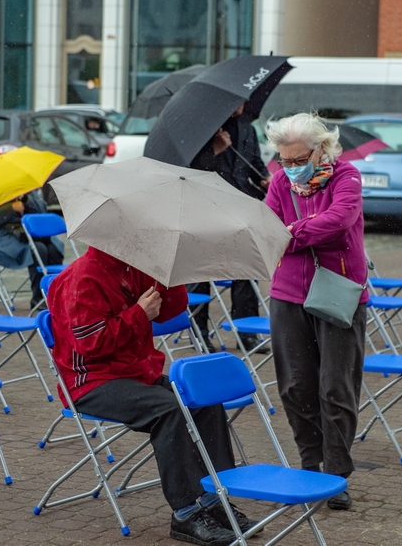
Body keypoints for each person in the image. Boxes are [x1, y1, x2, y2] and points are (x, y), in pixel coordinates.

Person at [47, 247, 257, 546]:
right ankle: (186, 512)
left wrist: (170, 274)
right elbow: (91, 344)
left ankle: (213, 497)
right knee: (169, 410)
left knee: (204, 398)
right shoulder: (82, 277)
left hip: (135, 374)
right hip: (91, 382)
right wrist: (138, 314)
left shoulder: (131, 265)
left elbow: (171, 311)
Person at [262, 112, 368, 511]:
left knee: (336, 387)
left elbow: (339, 222)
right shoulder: (278, 182)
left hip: (339, 291)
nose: (290, 169)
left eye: (298, 159)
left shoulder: (347, 177)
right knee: (294, 386)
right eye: (284, 160)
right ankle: (310, 465)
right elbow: (267, 229)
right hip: (287, 292)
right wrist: (300, 232)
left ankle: (335, 475)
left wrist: (293, 233)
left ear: (320, 149)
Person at [188, 102, 272, 353]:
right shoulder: (201, 130)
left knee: (246, 269)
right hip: (207, 207)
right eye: (236, 101)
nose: (241, 104)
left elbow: (254, 161)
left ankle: (246, 333)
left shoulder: (247, 128)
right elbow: (188, 170)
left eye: (244, 99)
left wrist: (263, 178)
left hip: (241, 206)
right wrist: (214, 150)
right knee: (201, 274)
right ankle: (199, 333)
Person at [0, 190, 63, 309]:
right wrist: (11, 208)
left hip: (33, 234)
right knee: (38, 249)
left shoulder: (26, 187)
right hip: (6, 238)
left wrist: (25, 199)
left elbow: (42, 210)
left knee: (54, 249)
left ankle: (53, 294)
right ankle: (39, 298)